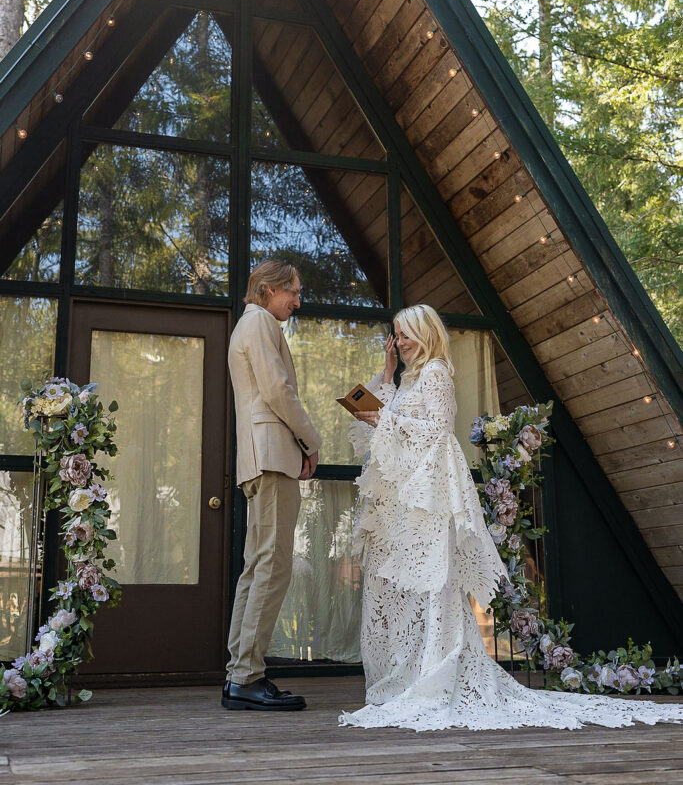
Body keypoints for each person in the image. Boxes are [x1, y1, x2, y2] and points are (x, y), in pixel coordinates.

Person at [340, 303, 683, 731]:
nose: (402, 341)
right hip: (407, 494)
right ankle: (407, 673)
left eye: (407, 334)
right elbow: (396, 419)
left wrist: (387, 418)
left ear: (427, 332)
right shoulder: (410, 376)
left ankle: (433, 675)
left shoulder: (436, 372)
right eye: (397, 334)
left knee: (431, 583)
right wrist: (387, 374)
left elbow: (439, 428)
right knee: (406, 587)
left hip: (430, 495)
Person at [222, 259, 321, 712]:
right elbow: (280, 391)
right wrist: (311, 441)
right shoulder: (260, 322)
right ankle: (246, 676)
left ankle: (240, 673)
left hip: (259, 459)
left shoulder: (250, 325)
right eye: (293, 292)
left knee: (257, 566)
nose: (297, 301)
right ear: (266, 289)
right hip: (273, 458)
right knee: (273, 566)